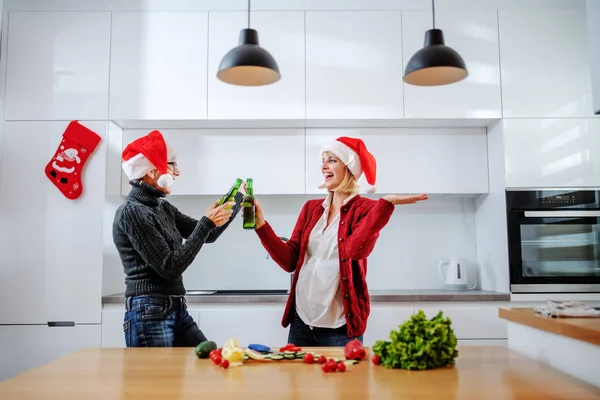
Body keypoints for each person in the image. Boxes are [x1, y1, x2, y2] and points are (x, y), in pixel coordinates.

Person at [253, 136, 428, 346]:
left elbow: (355, 251)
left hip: (340, 327)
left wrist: (384, 205)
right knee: (299, 379)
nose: (323, 166)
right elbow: (290, 260)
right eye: (323, 160)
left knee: (344, 380)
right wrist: (262, 226)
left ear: (349, 168)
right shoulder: (311, 208)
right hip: (301, 322)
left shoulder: (365, 209)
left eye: (332, 160)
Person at [112, 130, 243, 347]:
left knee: (208, 362)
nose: (177, 172)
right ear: (152, 171)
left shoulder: (161, 207)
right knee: (159, 380)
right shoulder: (132, 212)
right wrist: (206, 223)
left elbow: (206, 235)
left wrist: (238, 200)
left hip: (175, 306)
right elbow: (170, 267)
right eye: (172, 165)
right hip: (148, 309)